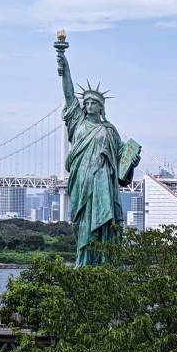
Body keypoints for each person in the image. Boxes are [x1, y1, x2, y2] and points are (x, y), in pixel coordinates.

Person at [57, 48, 141, 266]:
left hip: (103, 182)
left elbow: (122, 158)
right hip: (82, 182)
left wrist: (131, 161)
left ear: (101, 106)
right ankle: (83, 261)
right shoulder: (77, 122)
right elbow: (68, 95)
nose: (88, 105)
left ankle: (104, 261)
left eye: (93, 103)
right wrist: (64, 66)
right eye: (86, 103)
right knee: (82, 223)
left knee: (105, 224)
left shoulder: (110, 130)